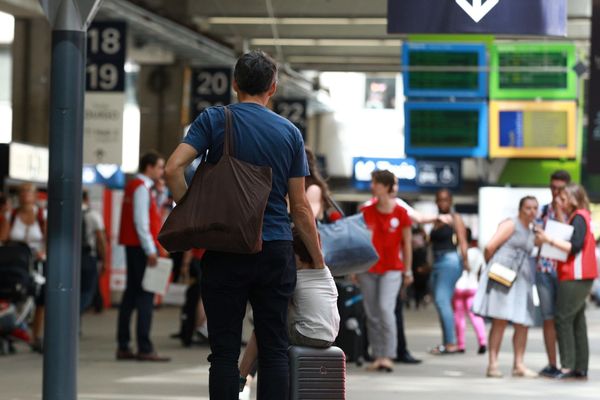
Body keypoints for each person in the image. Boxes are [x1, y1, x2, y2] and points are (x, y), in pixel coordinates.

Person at [164, 50, 323, 400]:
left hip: (225, 247)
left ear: (234, 84)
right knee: (274, 348)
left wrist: (193, 214)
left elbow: (172, 168)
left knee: (222, 353)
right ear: (273, 87)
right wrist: (318, 259)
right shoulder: (290, 133)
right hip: (275, 249)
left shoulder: (214, 119)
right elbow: (299, 207)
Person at [239, 229, 340, 398]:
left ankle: (242, 376)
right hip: (329, 335)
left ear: (298, 256)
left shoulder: (294, 278)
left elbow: (262, 311)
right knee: (273, 321)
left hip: (307, 334)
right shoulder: (325, 273)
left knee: (264, 327)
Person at [534, 183, 598, 380]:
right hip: (579, 275)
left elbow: (574, 246)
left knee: (563, 318)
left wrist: (548, 240)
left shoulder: (579, 217)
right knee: (577, 321)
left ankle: (567, 365)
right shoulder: (581, 216)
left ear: (572, 198)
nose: (559, 202)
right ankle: (580, 366)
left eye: (563, 199)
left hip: (574, 275)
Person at [473, 196, 538, 378]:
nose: (531, 212)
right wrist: (492, 269)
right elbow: (490, 246)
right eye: (528, 208)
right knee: (500, 320)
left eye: (535, 208)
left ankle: (519, 364)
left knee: (522, 321)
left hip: (522, 277)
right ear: (520, 209)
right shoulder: (511, 224)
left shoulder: (533, 230)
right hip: (503, 275)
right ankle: (493, 364)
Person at [116, 151, 170, 362]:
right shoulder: (141, 188)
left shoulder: (138, 187)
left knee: (131, 296)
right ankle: (144, 347)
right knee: (146, 296)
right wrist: (151, 250)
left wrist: (161, 192)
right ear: (149, 167)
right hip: (141, 248)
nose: (162, 171)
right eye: (159, 167)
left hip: (133, 246)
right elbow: (142, 222)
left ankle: (124, 345)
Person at [359, 170, 412, 372]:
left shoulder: (401, 212)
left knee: (384, 308)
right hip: (368, 269)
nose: (373, 186)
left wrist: (408, 271)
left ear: (386, 186)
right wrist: (355, 269)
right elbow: (360, 243)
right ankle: (378, 355)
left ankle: (389, 354)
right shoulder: (366, 211)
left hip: (392, 269)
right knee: (371, 313)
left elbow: (407, 244)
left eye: (375, 183)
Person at [2, 183, 46, 353]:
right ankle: (10, 329)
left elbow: (47, 238)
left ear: (35, 195)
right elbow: (4, 238)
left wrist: (43, 252)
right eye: (22, 191)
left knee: (41, 294)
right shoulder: (11, 215)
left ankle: (36, 335)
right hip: (15, 261)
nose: (25, 194)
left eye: (29, 191)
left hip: (36, 261)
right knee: (11, 291)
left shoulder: (41, 215)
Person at [535, 170, 570, 378]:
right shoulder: (541, 211)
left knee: (563, 318)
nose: (555, 192)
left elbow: (568, 238)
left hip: (565, 272)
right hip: (544, 270)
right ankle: (552, 363)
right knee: (548, 318)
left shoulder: (573, 211)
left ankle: (567, 363)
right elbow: (538, 238)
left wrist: (558, 213)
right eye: (553, 187)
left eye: (560, 188)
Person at [429, 189, 469, 355]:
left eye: (445, 200)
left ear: (451, 201)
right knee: (441, 301)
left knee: (441, 300)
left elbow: (462, 241)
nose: (442, 203)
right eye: (439, 200)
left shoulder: (455, 218)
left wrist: (466, 263)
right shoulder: (436, 221)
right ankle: (447, 341)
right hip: (437, 262)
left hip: (450, 260)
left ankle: (452, 342)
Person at [453, 228, 487, 354]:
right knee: (475, 316)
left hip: (459, 286)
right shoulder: (477, 252)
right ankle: (482, 341)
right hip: (473, 286)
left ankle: (461, 344)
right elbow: (482, 270)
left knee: (459, 317)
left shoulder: (457, 251)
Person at [80, 190, 107, 314]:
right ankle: (76, 313)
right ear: (86, 199)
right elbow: (101, 240)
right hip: (88, 256)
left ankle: (73, 320)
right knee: (87, 291)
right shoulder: (93, 215)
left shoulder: (67, 214)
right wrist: (105, 260)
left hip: (69, 257)